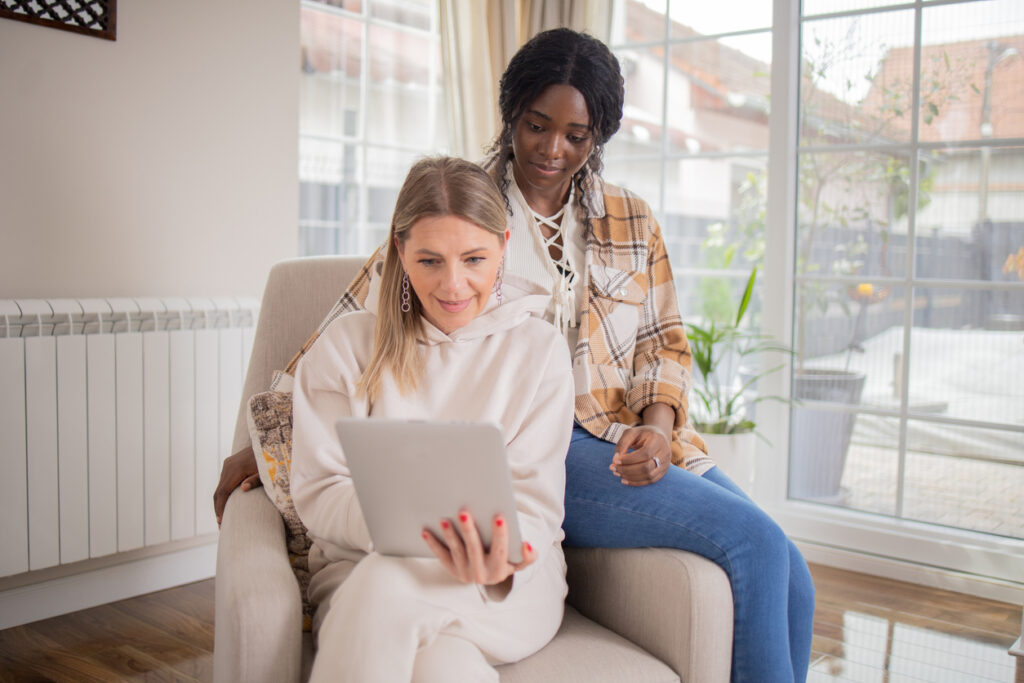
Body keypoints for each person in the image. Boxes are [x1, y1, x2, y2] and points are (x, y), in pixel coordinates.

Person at [216, 28, 815, 683]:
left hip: (615, 436)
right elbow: (364, 310)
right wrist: (270, 434)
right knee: (753, 542)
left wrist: (660, 427)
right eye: (537, 124)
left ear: (599, 137)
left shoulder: (629, 220)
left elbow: (663, 340)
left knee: (794, 573)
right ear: (512, 115)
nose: (553, 148)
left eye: (576, 135)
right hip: (565, 448)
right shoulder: (465, 202)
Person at [289, 156, 574, 682]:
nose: (454, 286)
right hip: (359, 566)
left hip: (505, 583)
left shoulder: (540, 350)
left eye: (473, 259)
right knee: (445, 665)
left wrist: (501, 558)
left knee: (386, 586)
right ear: (399, 251)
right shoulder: (347, 347)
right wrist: (402, 537)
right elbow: (319, 490)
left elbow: (535, 501)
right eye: (429, 261)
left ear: (504, 249)